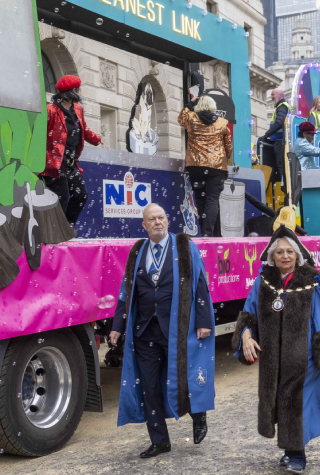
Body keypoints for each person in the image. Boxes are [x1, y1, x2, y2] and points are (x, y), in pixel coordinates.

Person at [232, 226, 320, 474]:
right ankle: (289, 449)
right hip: (273, 358)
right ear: (272, 256)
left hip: (302, 358)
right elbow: (248, 314)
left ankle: (297, 455)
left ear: (297, 255)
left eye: (289, 252)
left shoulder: (310, 284)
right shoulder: (263, 283)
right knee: (279, 402)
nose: (284, 256)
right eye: (280, 252)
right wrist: (246, 335)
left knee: (297, 402)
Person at [109, 204, 214, 458]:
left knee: (186, 377)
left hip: (178, 328)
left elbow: (200, 284)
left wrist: (204, 322)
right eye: (152, 219)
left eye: (161, 217)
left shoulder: (185, 246)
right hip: (145, 331)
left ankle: (198, 417)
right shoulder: (136, 251)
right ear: (144, 225)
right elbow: (127, 291)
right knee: (149, 387)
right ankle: (160, 440)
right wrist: (117, 326)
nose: (158, 222)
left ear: (167, 220)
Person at [42, 75, 102, 226]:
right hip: (54, 162)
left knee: (81, 195)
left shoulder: (78, 109)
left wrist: (96, 139)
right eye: (78, 89)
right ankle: (57, 233)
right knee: (60, 198)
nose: (80, 92)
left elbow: (83, 129)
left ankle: (66, 226)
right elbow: (39, 134)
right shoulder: (51, 110)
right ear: (71, 91)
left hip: (70, 161)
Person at [179, 95, 233, 237]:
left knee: (200, 198)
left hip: (195, 165)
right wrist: (226, 157)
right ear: (213, 107)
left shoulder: (191, 118)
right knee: (212, 199)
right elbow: (228, 145)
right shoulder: (222, 122)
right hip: (216, 166)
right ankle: (207, 233)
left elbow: (180, 118)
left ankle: (204, 232)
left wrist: (190, 103)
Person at [261, 88, 290, 185]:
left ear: (280, 95)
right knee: (281, 164)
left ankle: (283, 187)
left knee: (280, 165)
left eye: (273, 94)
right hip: (280, 140)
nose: (271, 97)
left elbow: (279, 122)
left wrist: (267, 134)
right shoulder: (282, 106)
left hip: (280, 140)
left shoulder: (282, 107)